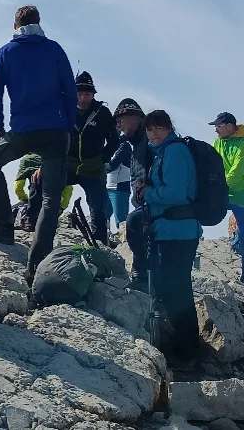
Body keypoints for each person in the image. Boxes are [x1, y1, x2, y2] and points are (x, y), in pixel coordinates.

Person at [0, 5, 77, 280]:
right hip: (56, 130)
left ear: (15, 25)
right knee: (50, 197)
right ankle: (37, 264)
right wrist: (69, 124)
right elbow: (69, 89)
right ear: (39, 23)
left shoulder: (5, 52)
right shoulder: (55, 49)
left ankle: (3, 226)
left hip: (22, 130)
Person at [140, 110, 202, 361]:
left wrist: (148, 193)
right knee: (174, 287)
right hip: (171, 230)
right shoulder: (163, 152)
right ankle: (185, 346)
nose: (153, 134)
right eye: (149, 129)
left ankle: (188, 349)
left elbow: (176, 193)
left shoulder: (175, 151)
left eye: (158, 128)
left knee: (175, 288)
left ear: (168, 128)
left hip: (179, 231)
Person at [66, 71, 118, 243]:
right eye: (79, 93)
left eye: (87, 94)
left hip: (93, 167)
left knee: (97, 207)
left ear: (93, 94)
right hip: (67, 163)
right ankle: (35, 223)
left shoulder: (103, 112)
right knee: (47, 189)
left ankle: (100, 242)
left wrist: (103, 158)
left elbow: (113, 140)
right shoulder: (64, 109)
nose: (82, 98)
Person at [111, 98, 156, 289]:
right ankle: (142, 277)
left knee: (135, 225)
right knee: (136, 226)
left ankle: (142, 278)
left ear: (136, 118)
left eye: (121, 119)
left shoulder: (150, 140)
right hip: (144, 202)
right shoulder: (136, 142)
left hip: (156, 201)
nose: (118, 125)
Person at [211, 112, 244, 287]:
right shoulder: (218, 142)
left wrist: (218, 188)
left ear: (230, 126)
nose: (216, 130)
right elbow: (212, 163)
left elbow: (236, 173)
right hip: (224, 192)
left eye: (219, 126)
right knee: (197, 216)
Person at [13, 154, 71, 229]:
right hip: (52, 205)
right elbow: (68, 187)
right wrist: (62, 206)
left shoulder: (27, 160)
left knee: (14, 210)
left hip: (33, 206)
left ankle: (29, 221)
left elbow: (18, 186)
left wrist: (24, 199)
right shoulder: (58, 159)